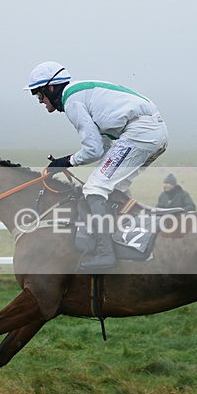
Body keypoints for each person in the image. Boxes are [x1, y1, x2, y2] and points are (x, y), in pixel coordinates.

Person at [27, 61, 168, 270]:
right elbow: (102, 147)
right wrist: (67, 161)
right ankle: (124, 239)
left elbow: (93, 149)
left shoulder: (72, 101)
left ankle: (105, 252)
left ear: (50, 88)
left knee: (94, 188)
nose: (40, 101)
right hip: (153, 132)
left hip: (140, 132)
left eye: (39, 95)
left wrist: (64, 162)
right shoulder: (81, 94)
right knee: (112, 189)